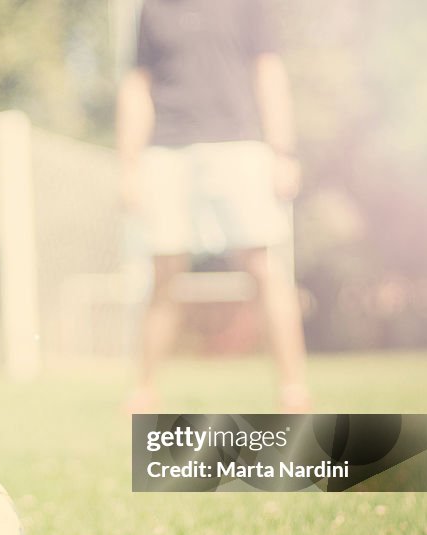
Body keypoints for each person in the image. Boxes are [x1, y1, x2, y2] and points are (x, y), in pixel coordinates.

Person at [117, 0, 310, 413]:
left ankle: (292, 388)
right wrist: (129, 165)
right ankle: (144, 391)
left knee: (262, 267)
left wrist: (283, 152)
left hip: (238, 146)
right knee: (164, 273)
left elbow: (268, 71)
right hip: (166, 152)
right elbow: (137, 84)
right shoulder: (152, 10)